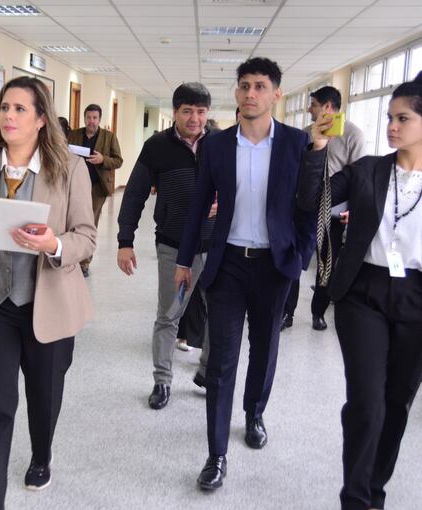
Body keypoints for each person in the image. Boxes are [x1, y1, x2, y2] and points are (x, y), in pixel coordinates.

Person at [0, 76, 96, 510]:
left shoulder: (69, 168)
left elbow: (86, 237)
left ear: (40, 119)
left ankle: (41, 454)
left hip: (48, 303)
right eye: (4, 108)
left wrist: (53, 244)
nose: (9, 116)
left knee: (44, 397)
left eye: (19, 109)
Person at [175, 57, 316, 490]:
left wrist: (301, 258)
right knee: (222, 359)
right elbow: (200, 204)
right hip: (229, 264)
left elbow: (308, 206)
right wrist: (183, 260)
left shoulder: (296, 143)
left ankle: (254, 413)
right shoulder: (217, 145)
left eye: (260, 86)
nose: (250, 93)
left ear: (276, 93)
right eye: (244, 86)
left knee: (265, 348)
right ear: (236, 92)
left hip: (275, 265)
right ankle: (216, 453)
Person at [298, 71, 422, 510]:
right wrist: (317, 148)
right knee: (367, 403)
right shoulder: (369, 169)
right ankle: (355, 498)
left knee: (396, 405)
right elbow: (313, 199)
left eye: (402, 119)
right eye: (389, 117)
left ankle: (374, 491)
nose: (392, 127)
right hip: (363, 293)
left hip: (416, 299)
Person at [116, 82, 216, 410]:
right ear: (175, 112)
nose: (194, 118)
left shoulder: (220, 144)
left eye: (200, 111)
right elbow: (134, 194)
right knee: (169, 315)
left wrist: (226, 203)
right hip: (173, 245)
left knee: (218, 313)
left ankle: (208, 372)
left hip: (216, 246)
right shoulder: (157, 146)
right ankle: (162, 380)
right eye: (187, 111)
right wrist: (125, 241)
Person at [281, 86, 366, 332]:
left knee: (326, 267)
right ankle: (287, 312)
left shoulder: (353, 135)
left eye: (314, 105)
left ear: (328, 107)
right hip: (304, 209)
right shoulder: (305, 134)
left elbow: (359, 177)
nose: (309, 109)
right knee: (295, 261)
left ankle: (318, 312)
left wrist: (355, 209)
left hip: (334, 213)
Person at [68, 104, 123, 277]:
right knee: (71, 221)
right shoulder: (74, 134)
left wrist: (103, 159)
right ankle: (72, 257)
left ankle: (84, 262)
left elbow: (118, 161)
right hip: (75, 186)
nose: (91, 121)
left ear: (99, 119)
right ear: (84, 118)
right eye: (88, 117)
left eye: (95, 118)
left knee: (89, 223)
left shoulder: (109, 137)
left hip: (96, 187)